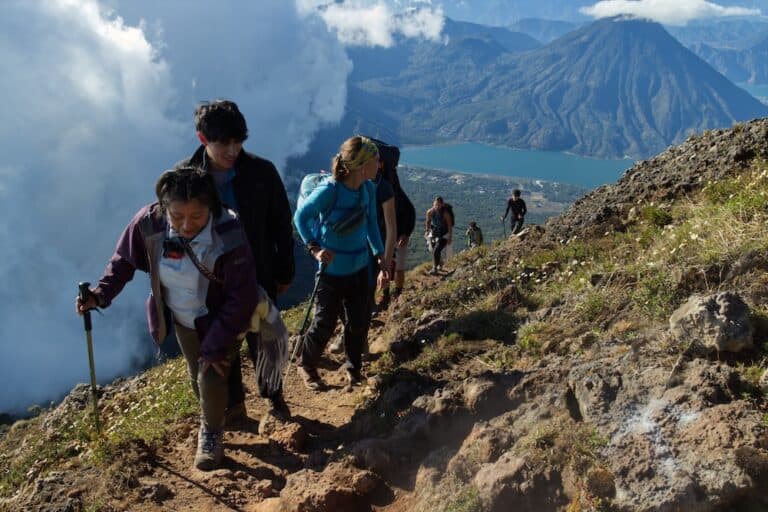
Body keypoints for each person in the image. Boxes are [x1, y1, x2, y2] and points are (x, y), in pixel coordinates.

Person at [76, 167, 261, 471]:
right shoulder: (150, 224)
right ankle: (215, 412)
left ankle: (211, 434)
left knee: (211, 370)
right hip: (181, 315)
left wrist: (215, 344)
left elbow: (242, 296)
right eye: (177, 216)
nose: (187, 225)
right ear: (164, 208)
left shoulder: (228, 232)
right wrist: (100, 295)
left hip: (222, 315)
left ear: (211, 208)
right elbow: (123, 261)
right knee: (196, 373)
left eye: (197, 217)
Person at [175, 100, 295, 423]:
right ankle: (234, 408)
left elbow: (281, 224)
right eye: (223, 142)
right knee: (221, 343)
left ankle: (274, 398)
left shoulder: (261, 172)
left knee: (265, 339)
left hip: (257, 273)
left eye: (239, 141)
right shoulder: (184, 181)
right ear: (203, 139)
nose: (233, 149)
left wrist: (285, 269)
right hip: (209, 284)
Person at [294, 136, 386, 391]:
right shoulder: (330, 190)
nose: (380, 164)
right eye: (376, 159)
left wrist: (379, 254)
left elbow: (370, 224)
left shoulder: (368, 189)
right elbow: (301, 217)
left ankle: (353, 369)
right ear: (361, 165)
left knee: (358, 321)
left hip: (359, 268)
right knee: (324, 322)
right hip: (331, 271)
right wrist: (314, 248)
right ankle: (307, 365)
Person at [425, 196, 453, 275]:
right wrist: (427, 230)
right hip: (434, 233)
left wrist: (450, 237)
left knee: (436, 251)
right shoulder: (430, 212)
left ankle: (435, 268)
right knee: (433, 250)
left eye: (438, 204)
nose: (437, 206)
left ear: (442, 205)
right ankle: (440, 263)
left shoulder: (445, 213)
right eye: (435, 204)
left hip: (444, 234)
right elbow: (427, 221)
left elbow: (449, 226)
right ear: (433, 204)